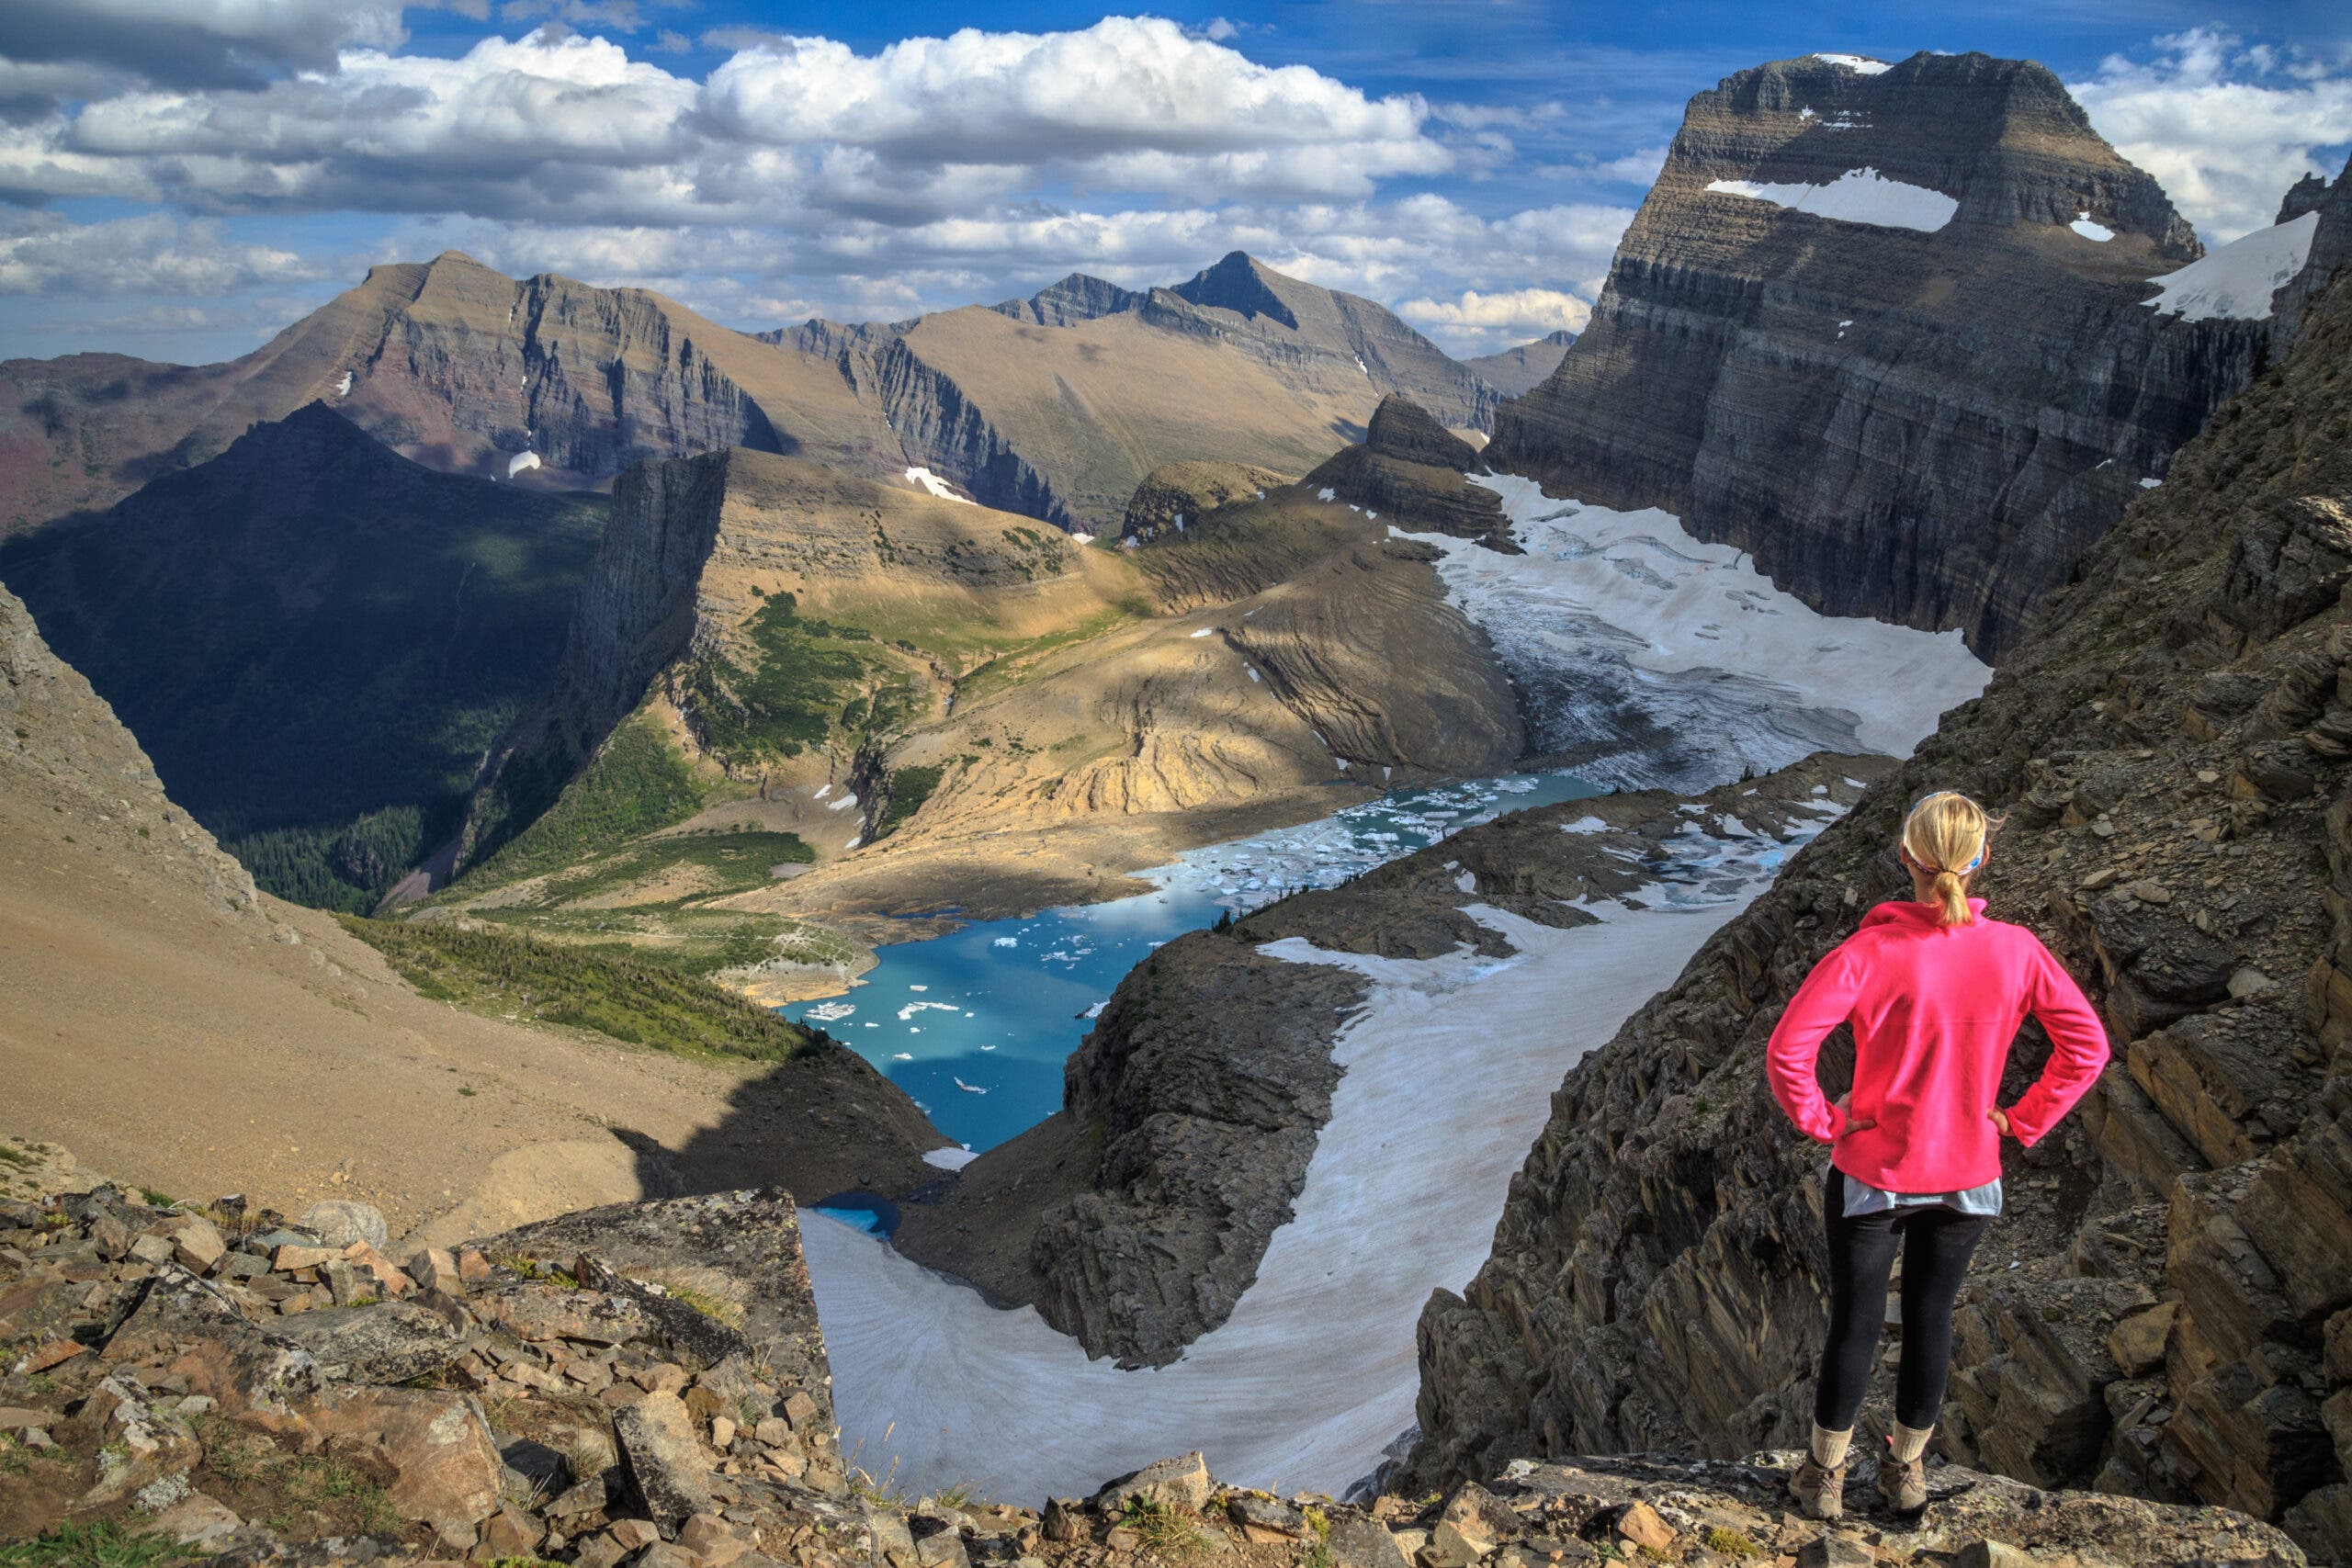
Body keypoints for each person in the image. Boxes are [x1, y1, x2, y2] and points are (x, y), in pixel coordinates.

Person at [1765, 790, 2109, 1519]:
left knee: (1856, 1320)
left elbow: (1788, 1049)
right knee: (1932, 1315)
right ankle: (1906, 1471)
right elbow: (2087, 1046)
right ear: (1981, 859)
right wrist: (2021, 1120)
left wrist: (1827, 1118)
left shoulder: (1868, 953)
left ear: (1908, 858)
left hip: (1874, 1170)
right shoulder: (2017, 950)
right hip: (1969, 1171)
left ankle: (1824, 1478)